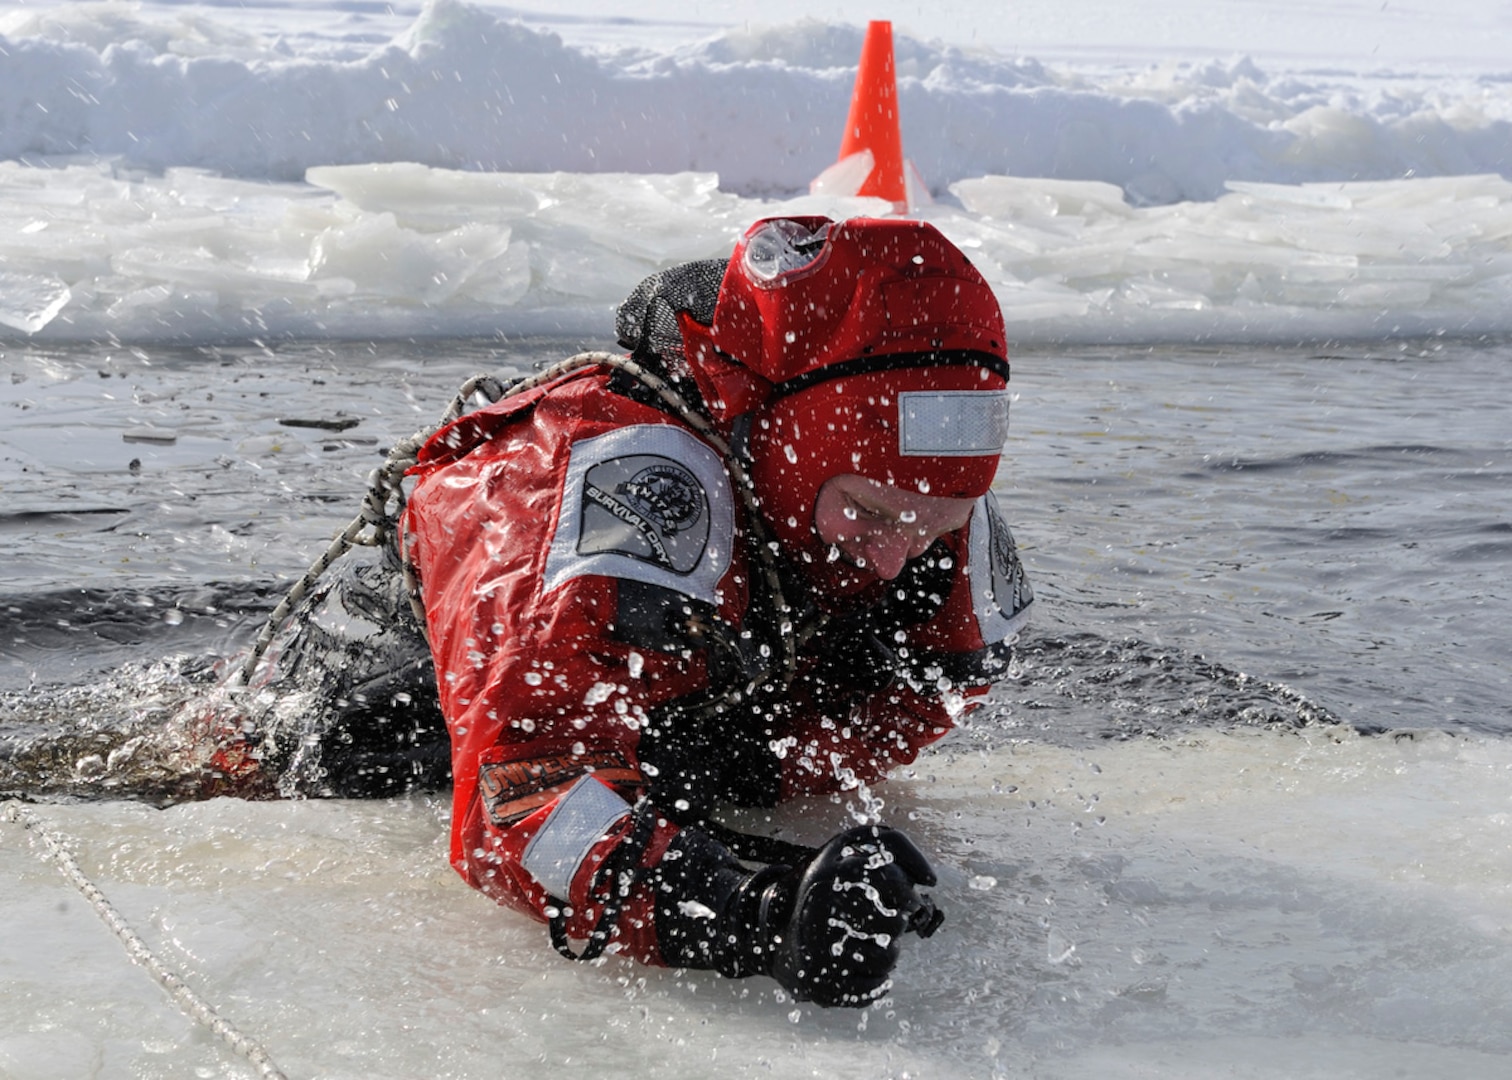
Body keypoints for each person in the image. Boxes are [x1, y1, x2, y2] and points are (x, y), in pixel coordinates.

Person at [217, 214, 1033, 1007]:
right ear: (779, 437)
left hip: (662, 715)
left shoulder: (922, 504)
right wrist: (751, 912)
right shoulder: (575, 484)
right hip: (383, 721)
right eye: (872, 514)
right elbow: (521, 803)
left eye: (938, 526)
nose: (897, 557)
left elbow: (920, 697)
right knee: (263, 753)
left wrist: (748, 775)